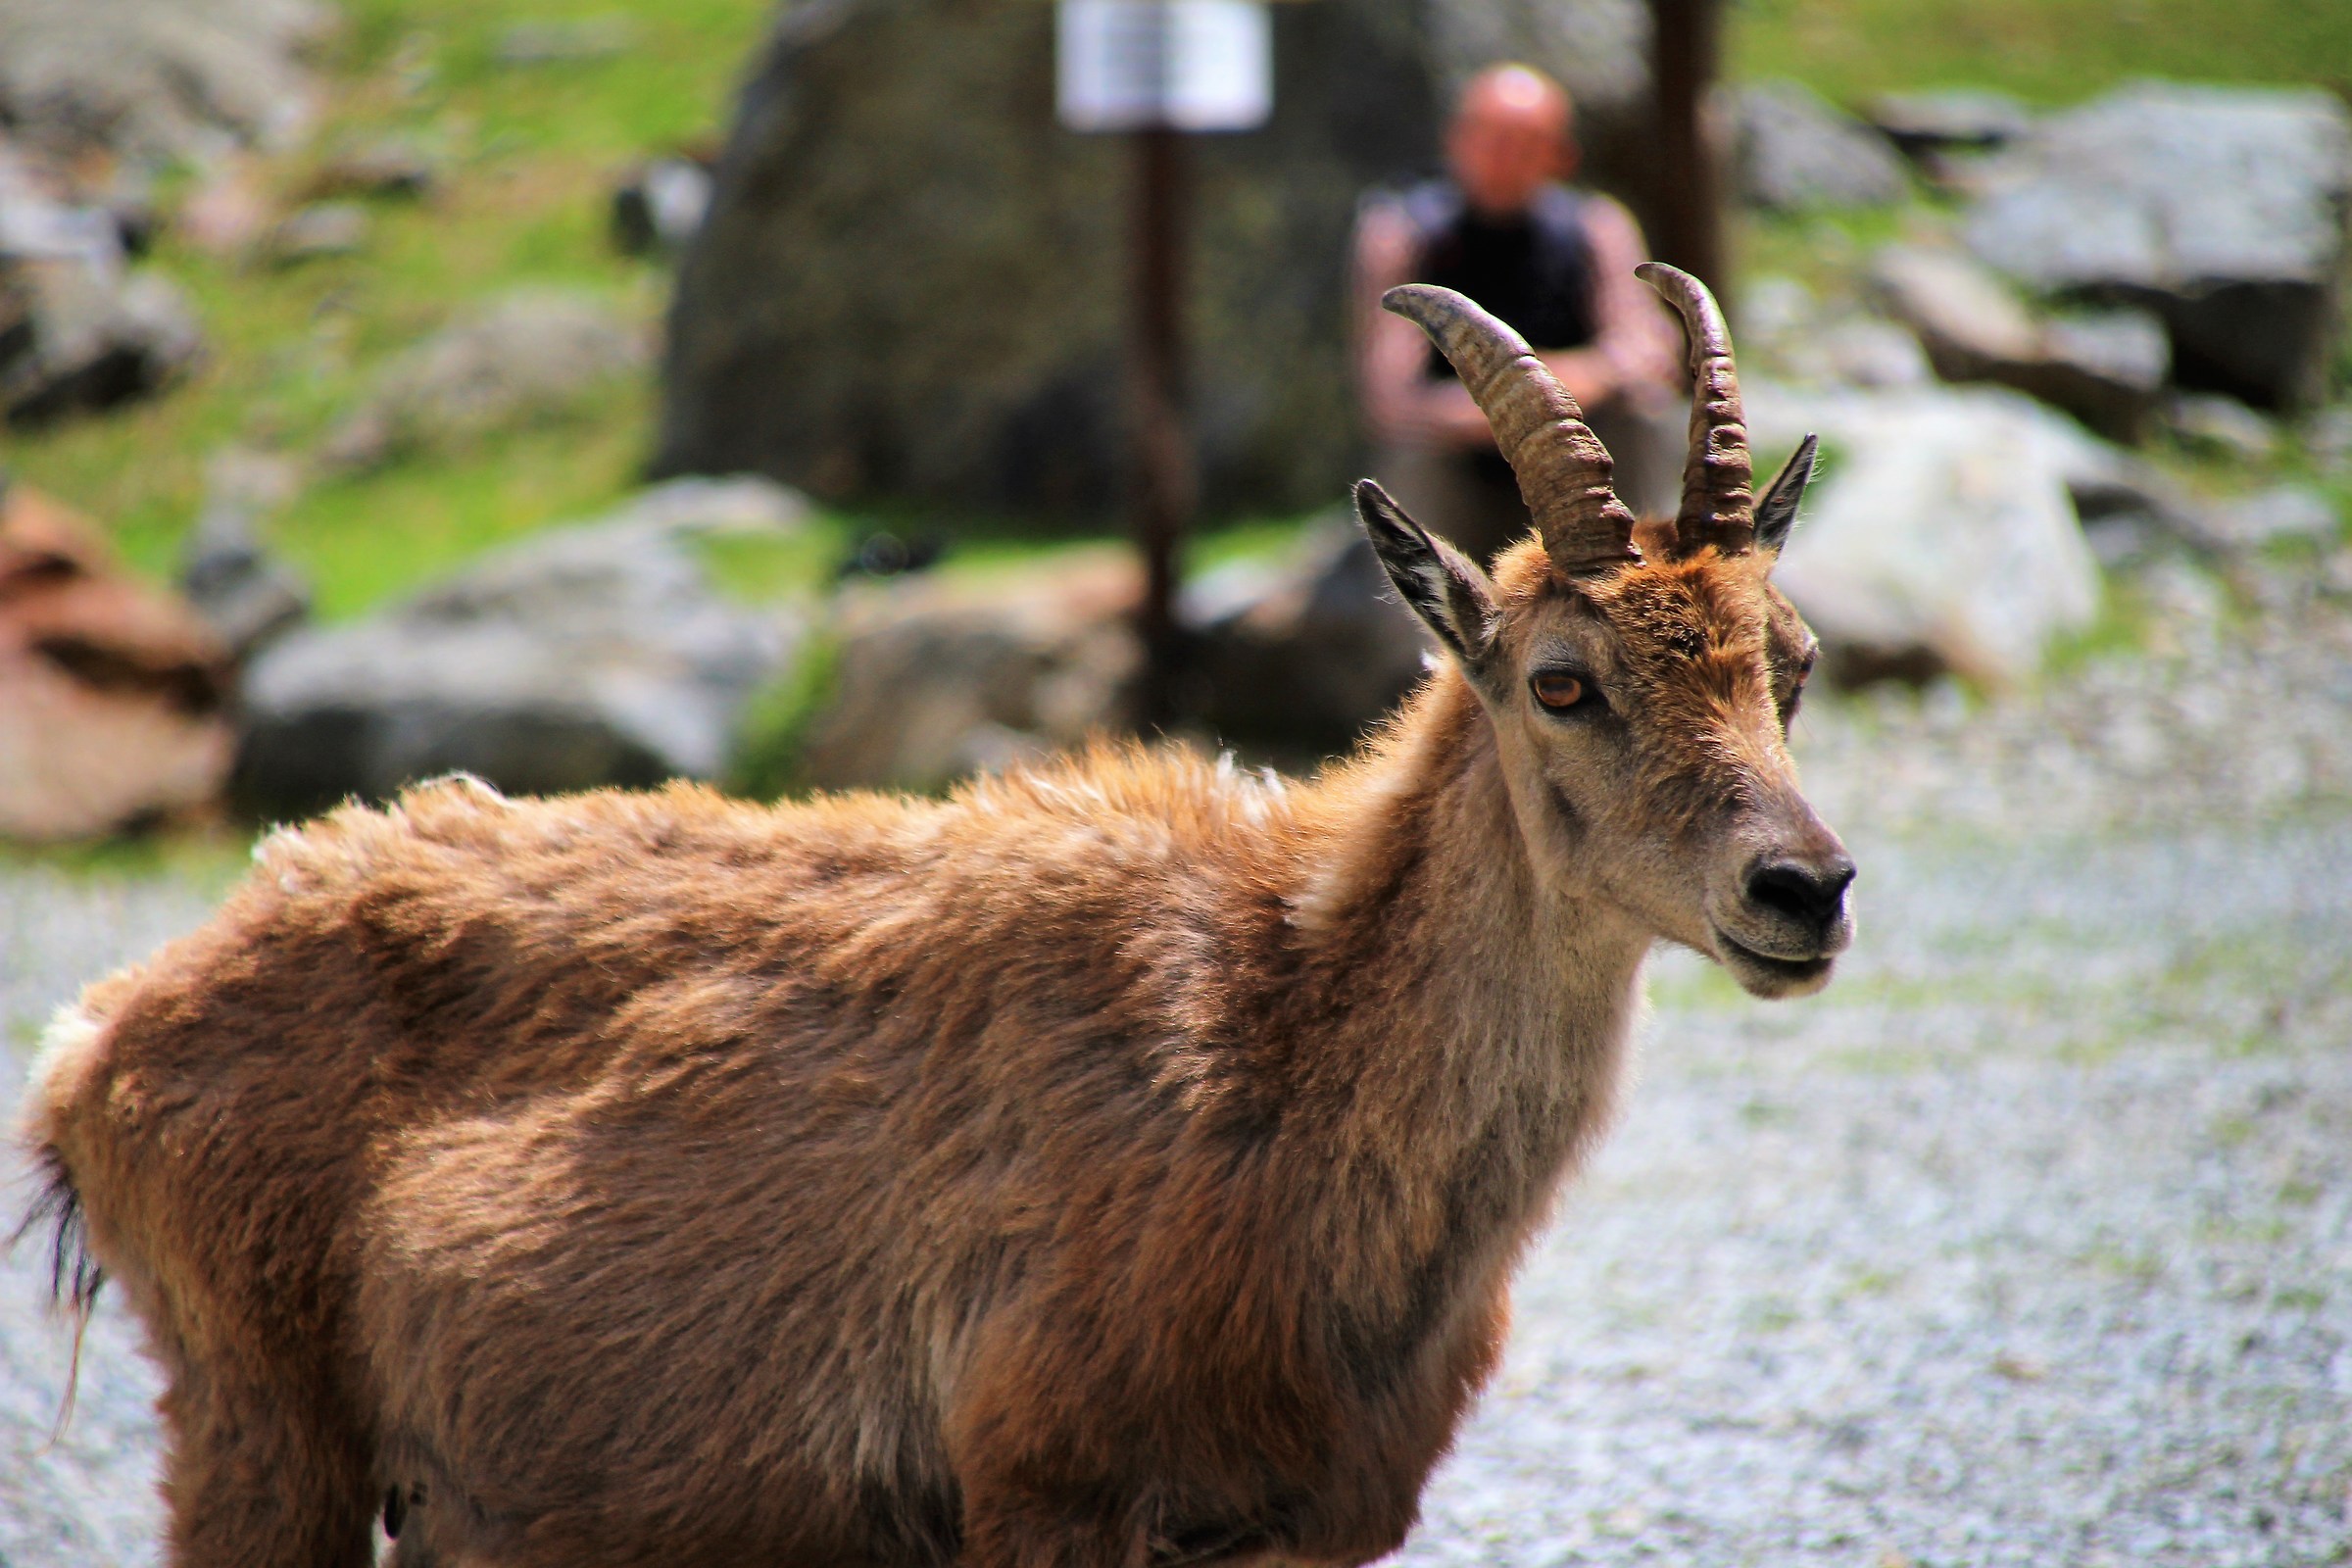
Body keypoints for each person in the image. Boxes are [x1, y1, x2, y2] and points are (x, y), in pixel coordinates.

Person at [1355, 64, 1684, 562]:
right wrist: (1514, 409)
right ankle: (1427, 625)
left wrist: (1548, 393)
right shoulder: (1403, 234)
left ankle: (1642, 590)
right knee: (1414, 458)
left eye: (1526, 142)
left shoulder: (1596, 227)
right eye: (1490, 137)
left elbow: (1648, 354)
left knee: (1643, 415)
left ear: (1560, 155)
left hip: (1577, 457)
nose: (1504, 157)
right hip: (1459, 460)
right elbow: (1392, 400)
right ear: (1457, 140)